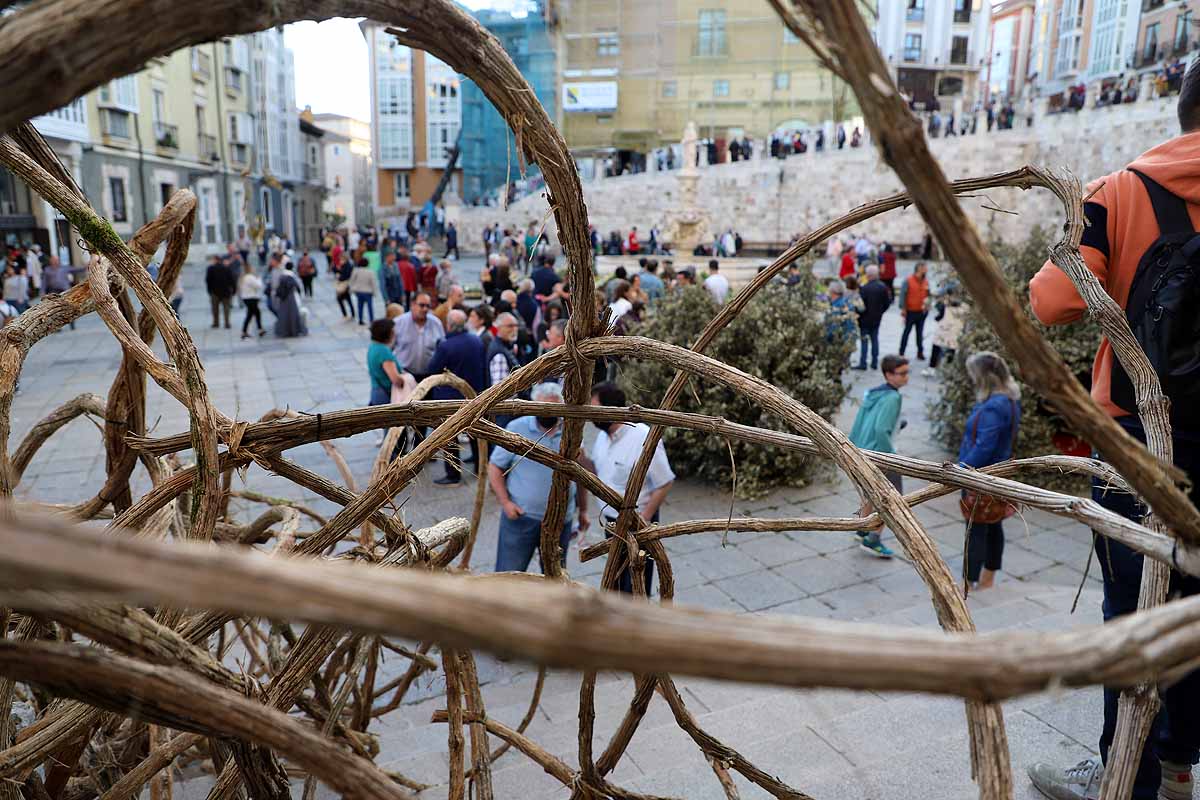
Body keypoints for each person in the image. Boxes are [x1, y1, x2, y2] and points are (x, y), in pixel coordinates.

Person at [1026, 62, 1200, 800]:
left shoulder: (1126, 188)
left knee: (1129, 609)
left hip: (1139, 433)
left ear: (1184, 108)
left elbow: (1052, 300)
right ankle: (1177, 767)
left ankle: (1121, 774)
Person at [586, 381, 675, 594]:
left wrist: (642, 521)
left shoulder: (642, 437)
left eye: (595, 408)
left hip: (638, 523)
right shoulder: (602, 437)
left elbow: (665, 482)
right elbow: (599, 472)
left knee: (637, 585)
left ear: (611, 410)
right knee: (615, 582)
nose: (590, 415)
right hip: (611, 523)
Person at [490, 382, 589, 571]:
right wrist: (505, 503)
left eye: (552, 409)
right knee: (509, 573)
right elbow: (495, 467)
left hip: (560, 520)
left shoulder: (571, 431)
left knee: (555, 576)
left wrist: (583, 510)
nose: (547, 414)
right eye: (542, 408)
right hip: (521, 517)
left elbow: (581, 474)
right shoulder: (517, 428)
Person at [958, 353, 1021, 589]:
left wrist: (959, 471)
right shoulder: (1011, 399)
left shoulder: (994, 407)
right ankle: (988, 577)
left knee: (975, 529)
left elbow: (984, 446)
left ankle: (969, 580)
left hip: (980, 475)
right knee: (994, 524)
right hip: (1000, 472)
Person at [847, 354, 910, 558]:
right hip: (881, 455)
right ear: (888, 375)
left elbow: (865, 422)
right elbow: (881, 429)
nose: (906, 377)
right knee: (891, 498)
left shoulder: (873, 393)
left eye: (907, 372)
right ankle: (873, 540)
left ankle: (862, 528)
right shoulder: (893, 397)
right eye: (902, 373)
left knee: (870, 493)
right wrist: (891, 457)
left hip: (862, 450)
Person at [426, 309, 487, 486]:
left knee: (449, 436)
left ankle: (454, 475)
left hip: (450, 398)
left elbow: (433, 369)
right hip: (473, 394)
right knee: (475, 431)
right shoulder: (476, 340)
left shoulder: (446, 346)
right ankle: (478, 465)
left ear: (450, 325)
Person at [391, 292, 445, 383]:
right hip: (405, 376)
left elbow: (443, 349)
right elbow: (388, 349)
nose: (425, 309)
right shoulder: (398, 323)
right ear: (413, 305)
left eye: (428, 306)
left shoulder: (436, 324)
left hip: (429, 378)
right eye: (422, 305)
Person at [366, 318, 414, 406]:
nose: (394, 334)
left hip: (376, 391)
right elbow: (396, 380)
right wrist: (408, 379)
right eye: (392, 331)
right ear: (386, 333)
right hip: (386, 396)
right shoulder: (383, 351)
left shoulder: (373, 346)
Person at [854, 265, 891, 370]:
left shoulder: (865, 288)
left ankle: (863, 362)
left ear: (868, 275)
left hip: (865, 318)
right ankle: (874, 362)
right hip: (876, 318)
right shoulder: (883, 287)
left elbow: (860, 305)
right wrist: (880, 312)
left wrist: (858, 315)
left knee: (864, 341)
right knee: (875, 339)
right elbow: (887, 303)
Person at [898, 262, 930, 360]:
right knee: (907, 332)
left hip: (922, 311)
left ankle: (920, 352)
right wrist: (903, 308)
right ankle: (901, 352)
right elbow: (902, 295)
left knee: (920, 333)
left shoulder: (925, 281)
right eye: (925, 268)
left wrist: (928, 306)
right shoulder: (908, 280)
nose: (926, 270)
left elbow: (928, 294)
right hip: (910, 311)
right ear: (919, 269)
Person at [488, 312, 521, 392]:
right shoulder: (499, 353)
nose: (514, 329)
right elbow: (499, 390)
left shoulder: (506, 346)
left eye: (516, 326)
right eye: (510, 326)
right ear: (499, 328)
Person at [272, 263, 307, 337]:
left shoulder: (282, 275)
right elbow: (298, 287)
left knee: (284, 315)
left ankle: (284, 331)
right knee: (293, 314)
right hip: (291, 298)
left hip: (283, 299)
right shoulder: (291, 276)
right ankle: (293, 330)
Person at [205, 255, 235, 329]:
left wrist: (209, 290)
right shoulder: (227, 268)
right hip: (226, 292)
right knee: (226, 308)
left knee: (215, 309)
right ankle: (227, 323)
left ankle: (216, 323)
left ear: (215, 260)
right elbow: (232, 280)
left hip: (215, 292)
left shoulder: (210, 268)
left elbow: (208, 280)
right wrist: (234, 290)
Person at [238, 262, 265, 340]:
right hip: (251, 298)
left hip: (246, 298)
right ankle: (246, 331)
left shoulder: (243, 277)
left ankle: (258, 329)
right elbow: (258, 285)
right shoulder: (250, 277)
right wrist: (259, 279)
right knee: (252, 314)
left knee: (255, 313)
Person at [349, 257, 379, 325]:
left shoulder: (356, 270)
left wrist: (352, 290)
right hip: (368, 292)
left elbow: (351, 281)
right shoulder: (370, 271)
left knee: (360, 306)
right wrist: (375, 292)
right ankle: (371, 319)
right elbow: (373, 282)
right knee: (370, 306)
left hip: (359, 291)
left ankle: (360, 319)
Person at [333, 252, 354, 320]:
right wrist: (336, 268)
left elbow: (346, 275)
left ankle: (347, 315)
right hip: (344, 285)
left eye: (341, 259)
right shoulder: (344, 265)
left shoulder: (348, 266)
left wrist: (339, 277)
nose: (340, 260)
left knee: (342, 299)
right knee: (347, 300)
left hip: (345, 285)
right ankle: (350, 314)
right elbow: (337, 271)